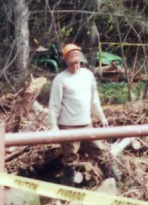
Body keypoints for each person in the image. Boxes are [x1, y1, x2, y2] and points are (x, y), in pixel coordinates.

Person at [47, 43, 120, 183]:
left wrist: (101, 116)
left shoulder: (88, 75)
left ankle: (114, 180)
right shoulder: (60, 79)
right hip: (68, 125)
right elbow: (54, 105)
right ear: (67, 63)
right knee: (70, 157)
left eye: (78, 63)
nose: (76, 66)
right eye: (72, 63)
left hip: (86, 124)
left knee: (100, 151)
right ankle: (68, 188)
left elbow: (94, 100)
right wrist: (53, 127)